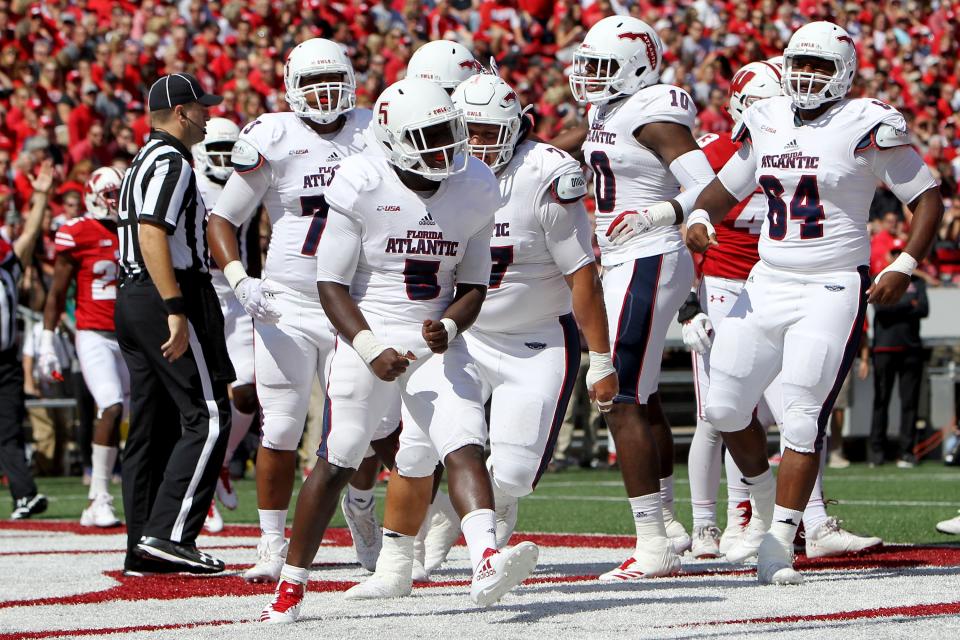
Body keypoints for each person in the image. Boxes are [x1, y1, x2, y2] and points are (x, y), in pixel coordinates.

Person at [258, 78, 537, 623]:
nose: (445, 148)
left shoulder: (477, 183)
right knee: (341, 454)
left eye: (449, 133)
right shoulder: (360, 181)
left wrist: (452, 329)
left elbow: (474, 286)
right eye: (430, 136)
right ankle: (289, 590)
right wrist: (366, 345)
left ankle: (485, 556)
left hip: (434, 334)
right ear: (391, 139)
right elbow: (331, 284)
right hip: (371, 329)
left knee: (463, 439)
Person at [687, 21, 943, 584]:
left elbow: (926, 197)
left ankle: (781, 538)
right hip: (768, 279)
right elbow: (728, 185)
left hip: (831, 286)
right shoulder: (768, 115)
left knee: (802, 416)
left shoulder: (866, 124)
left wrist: (904, 263)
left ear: (844, 73)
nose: (806, 76)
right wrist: (702, 215)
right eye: (799, 63)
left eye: (820, 66)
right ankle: (760, 498)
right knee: (726, 407)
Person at [353, 74, 618, 592]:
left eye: (489, 130)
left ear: (519, 126)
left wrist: (601, 359)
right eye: (466, 129)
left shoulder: (545, 174)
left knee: (515, 473)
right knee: (415, 450)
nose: (476, 143)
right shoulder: (440, 172)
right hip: (460, 335)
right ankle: (394, 568)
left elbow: (581, 273)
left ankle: (471, 519)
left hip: (534, 340)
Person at [208, 39, 391, 582]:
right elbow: (224, 218)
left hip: (354, 301)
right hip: (286, 303)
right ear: (291, 87)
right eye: (311, 82)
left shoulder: (375, 127)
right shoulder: (272, 135)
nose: (323, 91)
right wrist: (240, 279)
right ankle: (270, 543)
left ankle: (359, 509)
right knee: (282, 426)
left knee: (360, 427)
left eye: (332, 78)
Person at [569, 15, 718, 579]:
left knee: (621, 393)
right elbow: (579, 150)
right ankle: (671, 526)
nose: (589, 78)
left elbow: (706, 181)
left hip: (650, 253)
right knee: (644, 393)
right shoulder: (606, 109)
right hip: (624, 258)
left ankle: (652, 543)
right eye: (586, 66)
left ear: (637, 67)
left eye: (601, 67)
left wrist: (661, 212)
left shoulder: (652, 112)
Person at [115, 72, 234, 576]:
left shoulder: (141, 160)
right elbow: (152, 233)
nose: (208, 114)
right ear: (182, 113)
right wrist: (175, 307)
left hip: (132, 295)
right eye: (201, 108)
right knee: (208, 415)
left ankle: (142, 545)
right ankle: (169, 535)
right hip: (163, 290)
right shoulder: (171, 161)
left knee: (152, 425)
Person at [39, 166, 128, 528]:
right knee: (111, 406)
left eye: (118, 194)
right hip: (93, 334)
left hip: (130, 336)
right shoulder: (76, 232)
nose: (114, 201)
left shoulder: (135, 230)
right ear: (92, 195)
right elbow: (58, 291)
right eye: (108, 194)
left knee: (137, 417)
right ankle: (100, 496)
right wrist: (47, 341)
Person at [191, 117, 253, 533]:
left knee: (248, 390)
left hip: (240, 293)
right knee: (206, 395)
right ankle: (204, 479)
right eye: (215, 152)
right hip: (202, 296)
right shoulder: (188, 181)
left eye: (228, 152)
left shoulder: (246, 180)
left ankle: (223, 461)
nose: (222, 161)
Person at [1, 161, 53, 520]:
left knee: (8, 432)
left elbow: (29, 235)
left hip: (5, 363)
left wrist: (41, 196)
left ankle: (25, 496)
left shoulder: (8, 267)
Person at [868, 238, 929, 468]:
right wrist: (907, 304)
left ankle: (906, 452)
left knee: (910, 402)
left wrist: (897, 303)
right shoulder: (881, 279)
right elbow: (881, 307)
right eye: (893, 252)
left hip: (911, 348)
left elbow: (923, 309)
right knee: (881, 400)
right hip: (884, 348)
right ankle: (876, 452)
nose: (896, 256)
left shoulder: (918, 282)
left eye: (900, 252)